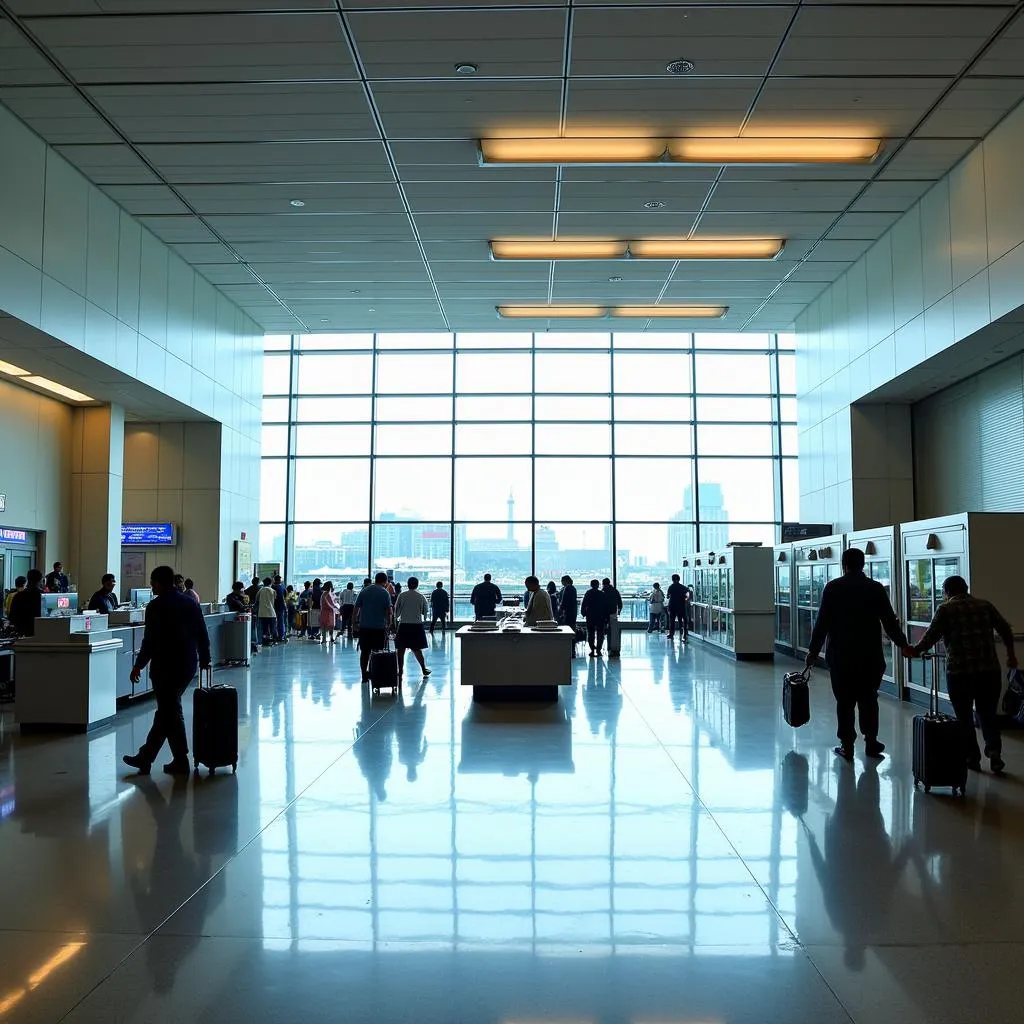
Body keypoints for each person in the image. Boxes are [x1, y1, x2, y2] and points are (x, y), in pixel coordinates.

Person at [806, 547, 913, 761]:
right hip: (870, 657)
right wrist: (903, 645)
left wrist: (813, 651)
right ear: (862, 565)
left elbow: (822, 624)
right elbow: (889, 622)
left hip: (841, 657)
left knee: (844, 702)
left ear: (843, 565)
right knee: (868, 700)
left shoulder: (833, 588)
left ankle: (847, 745)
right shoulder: (875, 588)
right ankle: (871, 742)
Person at [913, 575, 1017, 774]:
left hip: (960, 672)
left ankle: (972, 758)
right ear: (966, 588)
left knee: (964, 717)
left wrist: (914, 651)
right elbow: (1005, 629)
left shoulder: (946, 609)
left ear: (946, 592)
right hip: (989, 671)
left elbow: (931, 637)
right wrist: (1011, 655)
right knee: (988, 714)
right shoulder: (984, 605)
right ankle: (994, 752)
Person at [122, 564, 211, 776]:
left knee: (169, 711)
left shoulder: (156, 606)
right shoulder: (191, 602)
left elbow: (150, 640)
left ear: (159, 583)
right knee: (168, 711)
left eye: (152, 583)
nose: (151, 587)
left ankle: (179, 760)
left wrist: (138, 665)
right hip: (187, 664)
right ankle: (147, 757)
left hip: (165, 666)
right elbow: (201, 632)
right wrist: (205, 659)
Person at [354, 571, 394, 683]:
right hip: (379, 628)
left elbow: (356, 609)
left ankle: (364, 675)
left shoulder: (364, 591)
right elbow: (389, 612)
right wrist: (389, 625)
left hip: (365, 627)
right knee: (377, 652)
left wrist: (354, 624)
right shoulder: (385, 593)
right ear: (385, 581)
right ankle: (375, 672)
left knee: (364, 652)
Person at [394, 577, 431, 680]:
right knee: (416, 649)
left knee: (401, 650)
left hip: (404, 625)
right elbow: (425, 612)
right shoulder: (421, 596)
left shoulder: (402, 595)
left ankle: (400, 671)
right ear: (417, 584)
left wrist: (394, 622)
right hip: (416, 625)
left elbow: (396, 612)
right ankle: (423, 668)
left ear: (408, 584)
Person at [7, 569, 43, 636]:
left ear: (28, 579)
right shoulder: (43, 596)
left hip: (23, 633)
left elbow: (12, 617)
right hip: (41, 632)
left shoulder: (18, 596)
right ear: (40, 580)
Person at [581, 579, 606, 657]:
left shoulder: (588, 593)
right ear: (598, 585)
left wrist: (583, 613)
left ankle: (592, 649)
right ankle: (599, 650)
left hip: (590, 615)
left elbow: (584, 604)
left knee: (591, 633)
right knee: (600, 633)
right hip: (600, 616)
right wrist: (605, 616)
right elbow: (605, 606)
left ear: (591, 585)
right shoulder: (602, 594)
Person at [559, 575, 579, 650]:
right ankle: (572, 648)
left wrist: (560, 611)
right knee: (572, 630)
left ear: (565, 581)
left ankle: (568, 648)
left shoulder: (567, 588)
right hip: (573, 613)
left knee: (567, 630)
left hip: (568, 613)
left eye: (562, 581)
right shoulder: (573, 588)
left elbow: (564, 602)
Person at [666, 574, 688, 641]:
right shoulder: (683, 587)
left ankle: (671, 634)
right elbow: (687, 596)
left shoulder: (671, 587)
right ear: (679, 579)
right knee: (682, 620)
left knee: (672, 621)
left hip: (672, 606)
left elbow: (668, 596)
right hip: (681, 606)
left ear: (672, 580)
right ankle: (684, 633)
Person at [257, 576, 278, 645]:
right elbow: (274, 602)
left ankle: (265, 641)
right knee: (273, 627)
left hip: (262, 613)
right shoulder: (273, 591)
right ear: (270, 583)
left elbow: (256, 601)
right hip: (271, 612)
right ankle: (274, 640)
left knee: (264, 629)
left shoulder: (260, 590)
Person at [273, 574, 287, 642]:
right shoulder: (283, 587)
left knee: (274, 622)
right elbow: (285, 596)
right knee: (281, 621)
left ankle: (276, 636)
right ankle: (282, 635)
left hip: (275, 606)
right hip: (281, 606)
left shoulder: (273, 587)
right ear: (280, 580)